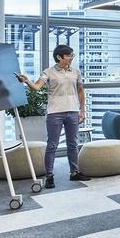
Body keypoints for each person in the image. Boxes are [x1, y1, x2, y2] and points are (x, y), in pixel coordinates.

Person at [17, 44, 90, 188]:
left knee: (73, 144)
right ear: (59, 57)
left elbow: (80, 91)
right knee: (52, 145)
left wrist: (82, 111)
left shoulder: (76, 72)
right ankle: (49, 176)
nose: (71, 58)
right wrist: (27, 81)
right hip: (55, 113)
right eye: (69, 55)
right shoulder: (48, 72)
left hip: (72, 111)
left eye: (72, 55)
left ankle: (74, 172)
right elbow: (37, 87)